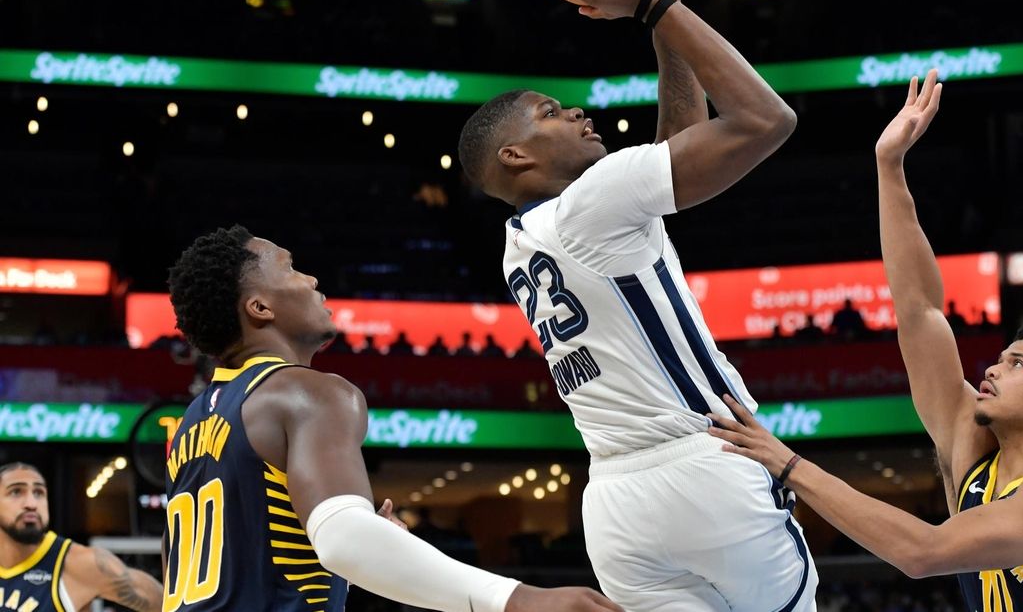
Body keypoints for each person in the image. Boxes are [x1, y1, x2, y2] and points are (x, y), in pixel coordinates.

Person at [456, 0, 815, 611]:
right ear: (516, 154)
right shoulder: (594, 200)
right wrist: (652, 5)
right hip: (707, 465)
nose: (580, 114)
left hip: (617, 507)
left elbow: (674, 149)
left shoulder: (522, 241)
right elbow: (768, 120)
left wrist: (669, 24)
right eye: (553, 112)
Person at [706, 71, 1023, 611]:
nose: (994, 370)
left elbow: (921, 552)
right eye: (1001, 359)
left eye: (1019, 364)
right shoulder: (970, 445)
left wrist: (789, 465)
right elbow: (919, 309)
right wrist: (889, 168)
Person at [164, 226, 620, 612]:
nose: (311, 279)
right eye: (289, 268)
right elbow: (343, 539)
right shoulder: (309, 392)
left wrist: (366, 539)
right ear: (259, 308)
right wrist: (517, 599)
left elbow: (247, 560)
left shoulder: (190, 423)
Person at [0, 462, 163, 611]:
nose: (31, 503)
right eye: (16, 492)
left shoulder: (82, 563)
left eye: (39, 492)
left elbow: (166, 604)